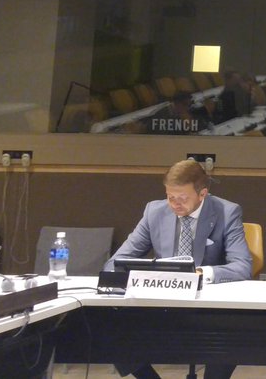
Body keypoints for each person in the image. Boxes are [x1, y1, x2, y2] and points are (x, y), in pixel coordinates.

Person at [107, 160, 252, 379]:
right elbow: (116, 262)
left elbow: (242, 266)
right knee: (108, 323)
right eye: (170, 197)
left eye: (182, 198)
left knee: (232, 329)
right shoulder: (154, 211)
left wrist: (200, 274)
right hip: (161, 301)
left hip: (209, 306)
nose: (175, 204)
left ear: (202, 194)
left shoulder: (227, 212)